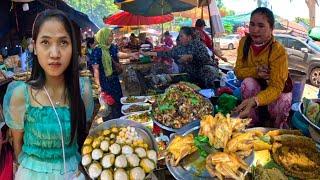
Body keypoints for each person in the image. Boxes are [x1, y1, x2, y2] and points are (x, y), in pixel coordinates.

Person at [3, 9, 94, 179]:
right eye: (45, 42)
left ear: (73, 46)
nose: (54, 54)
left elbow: (83, 137)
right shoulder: (21, 94)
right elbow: (17, 146)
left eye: (63, 43)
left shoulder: (83, 91)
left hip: (73, 173)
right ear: (34, 47)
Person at [233, 7, 292, 128]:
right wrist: (256, 72)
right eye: (252, 24)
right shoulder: (244, 42)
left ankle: (275, 127)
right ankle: (252, 124)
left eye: (261, 26)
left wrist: (255, 100)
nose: (255, 30)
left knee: (285, 99)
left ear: (271, 29)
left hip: (274, 93)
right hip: (254, 89)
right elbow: (238, 71)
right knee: (247, 83)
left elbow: (276, 88)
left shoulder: (278, 51)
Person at [142, 26, 220, 88]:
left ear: (189, 37)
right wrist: (149, 53)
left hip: (206, 71)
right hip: (192, 74)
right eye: (179, 36)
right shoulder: (180, 48)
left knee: (207, 70)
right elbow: (166, 53)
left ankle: (208, 90)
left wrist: (191, 57)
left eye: (181, 36)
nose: (179, 38)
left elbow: (205, 58)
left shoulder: (199, 45)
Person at [92, 28, 123, 120]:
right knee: (108, 104)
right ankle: (110, 124)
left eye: (112, 35)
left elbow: (118, 54)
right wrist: (98, 85)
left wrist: (132, 55)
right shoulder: (96, 51)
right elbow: (96, 69)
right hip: (104, 82)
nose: (111, 37)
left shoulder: (113, 47)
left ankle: (120, 122)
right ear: (103, 36)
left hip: (115, 79)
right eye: (109, 36)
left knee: (118, 101)